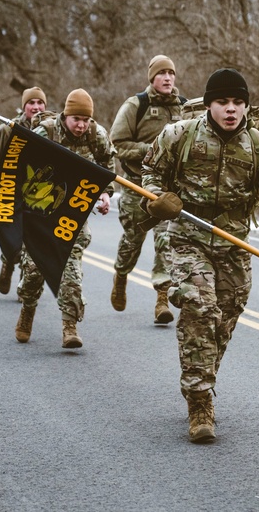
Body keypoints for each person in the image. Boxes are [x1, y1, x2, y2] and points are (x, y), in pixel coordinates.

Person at [141, 68, 259, 444]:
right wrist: (157, 201)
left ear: (246, 105)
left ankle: (203, 375)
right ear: (209, 104)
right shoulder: (179, 135)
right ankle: (200, 402)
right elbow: (149, 170)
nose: (231, 110)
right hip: (186, 235)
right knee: (200, 307)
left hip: (233, 241)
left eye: (237, 102)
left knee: (226, 313)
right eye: (222, 102)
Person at [14, 88, 116, 350]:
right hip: (41, 212)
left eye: (85, 120)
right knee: (34, 270)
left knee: (71, 271)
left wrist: (105, 193)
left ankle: (69, 326)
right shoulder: (45, 133)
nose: (81, 125)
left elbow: (107, 168)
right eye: (76, 120)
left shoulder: (97, 136)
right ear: (65, 116)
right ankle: (28, 308)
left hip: (72, 215)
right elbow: (21, 169)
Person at [109, 55, 187, 324]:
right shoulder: (136, 105)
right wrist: (152, 150)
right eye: (162, 73)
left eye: (171, 73)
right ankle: (121, 275)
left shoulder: (184, 108)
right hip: (136, 187)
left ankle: (162, 298)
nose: (168, 78)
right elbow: (116, 144)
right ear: (152, 78)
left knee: (166, 240)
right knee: (133, 240)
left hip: (168, 191)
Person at [0, 87, 50, 295]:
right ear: (24, 106)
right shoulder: (8, 129)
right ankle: (8, 263)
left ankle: (25, 285)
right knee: (12, 236)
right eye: (31, 103)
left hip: (38, 193)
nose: (36, 107)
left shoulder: (53, 128)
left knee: (35, 239)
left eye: (40, 103)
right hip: (10, 191)